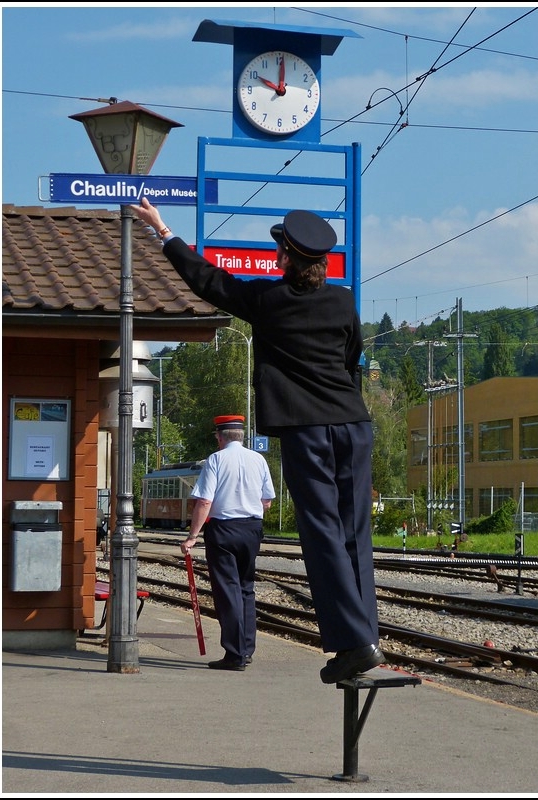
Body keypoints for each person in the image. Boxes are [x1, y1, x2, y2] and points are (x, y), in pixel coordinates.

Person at [132, 197, 385, 684]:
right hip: (355, 426)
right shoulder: (343, 299)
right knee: (355, 533)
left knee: (323, 535)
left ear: (286, 257)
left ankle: (354, 643)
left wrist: (164, 231)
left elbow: (210, 281)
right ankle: (367, 637)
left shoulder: (269, 302)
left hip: (307, 429)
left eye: (279, 251)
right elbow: (352, 358)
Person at [181, 414, 275, 671]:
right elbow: (267, 501)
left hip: (223, 531)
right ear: (241, 436)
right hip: (252, 529)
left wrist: (192, 537)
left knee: (228, 592)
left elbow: (204, 501)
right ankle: (246, 649)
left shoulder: (216, 460)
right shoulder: (259, 459)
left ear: (220, 437)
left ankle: (234, 655)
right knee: (246, 589)